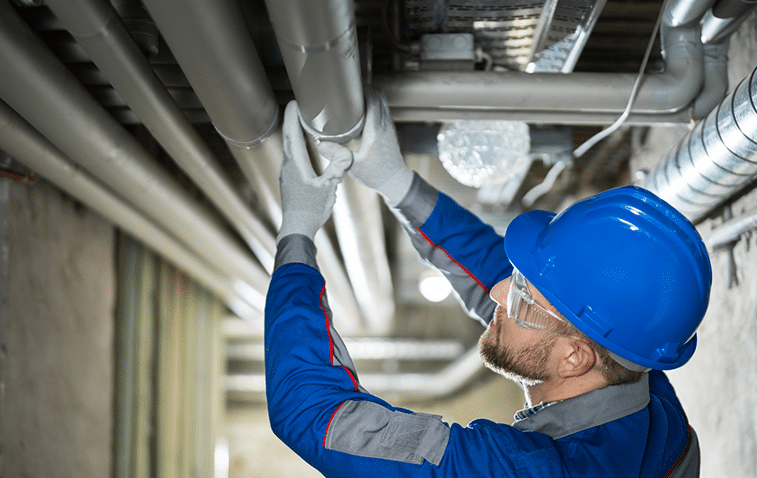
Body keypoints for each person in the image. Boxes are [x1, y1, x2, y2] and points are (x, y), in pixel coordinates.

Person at [265, 90, 711, 477]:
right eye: (519, 283)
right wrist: (396, 184)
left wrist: (298, 230)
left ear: (575, 358)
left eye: (519, 297)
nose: (499, 291)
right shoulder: (637, 373)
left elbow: (313, 414)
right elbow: (508, 281)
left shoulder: (528, 472)